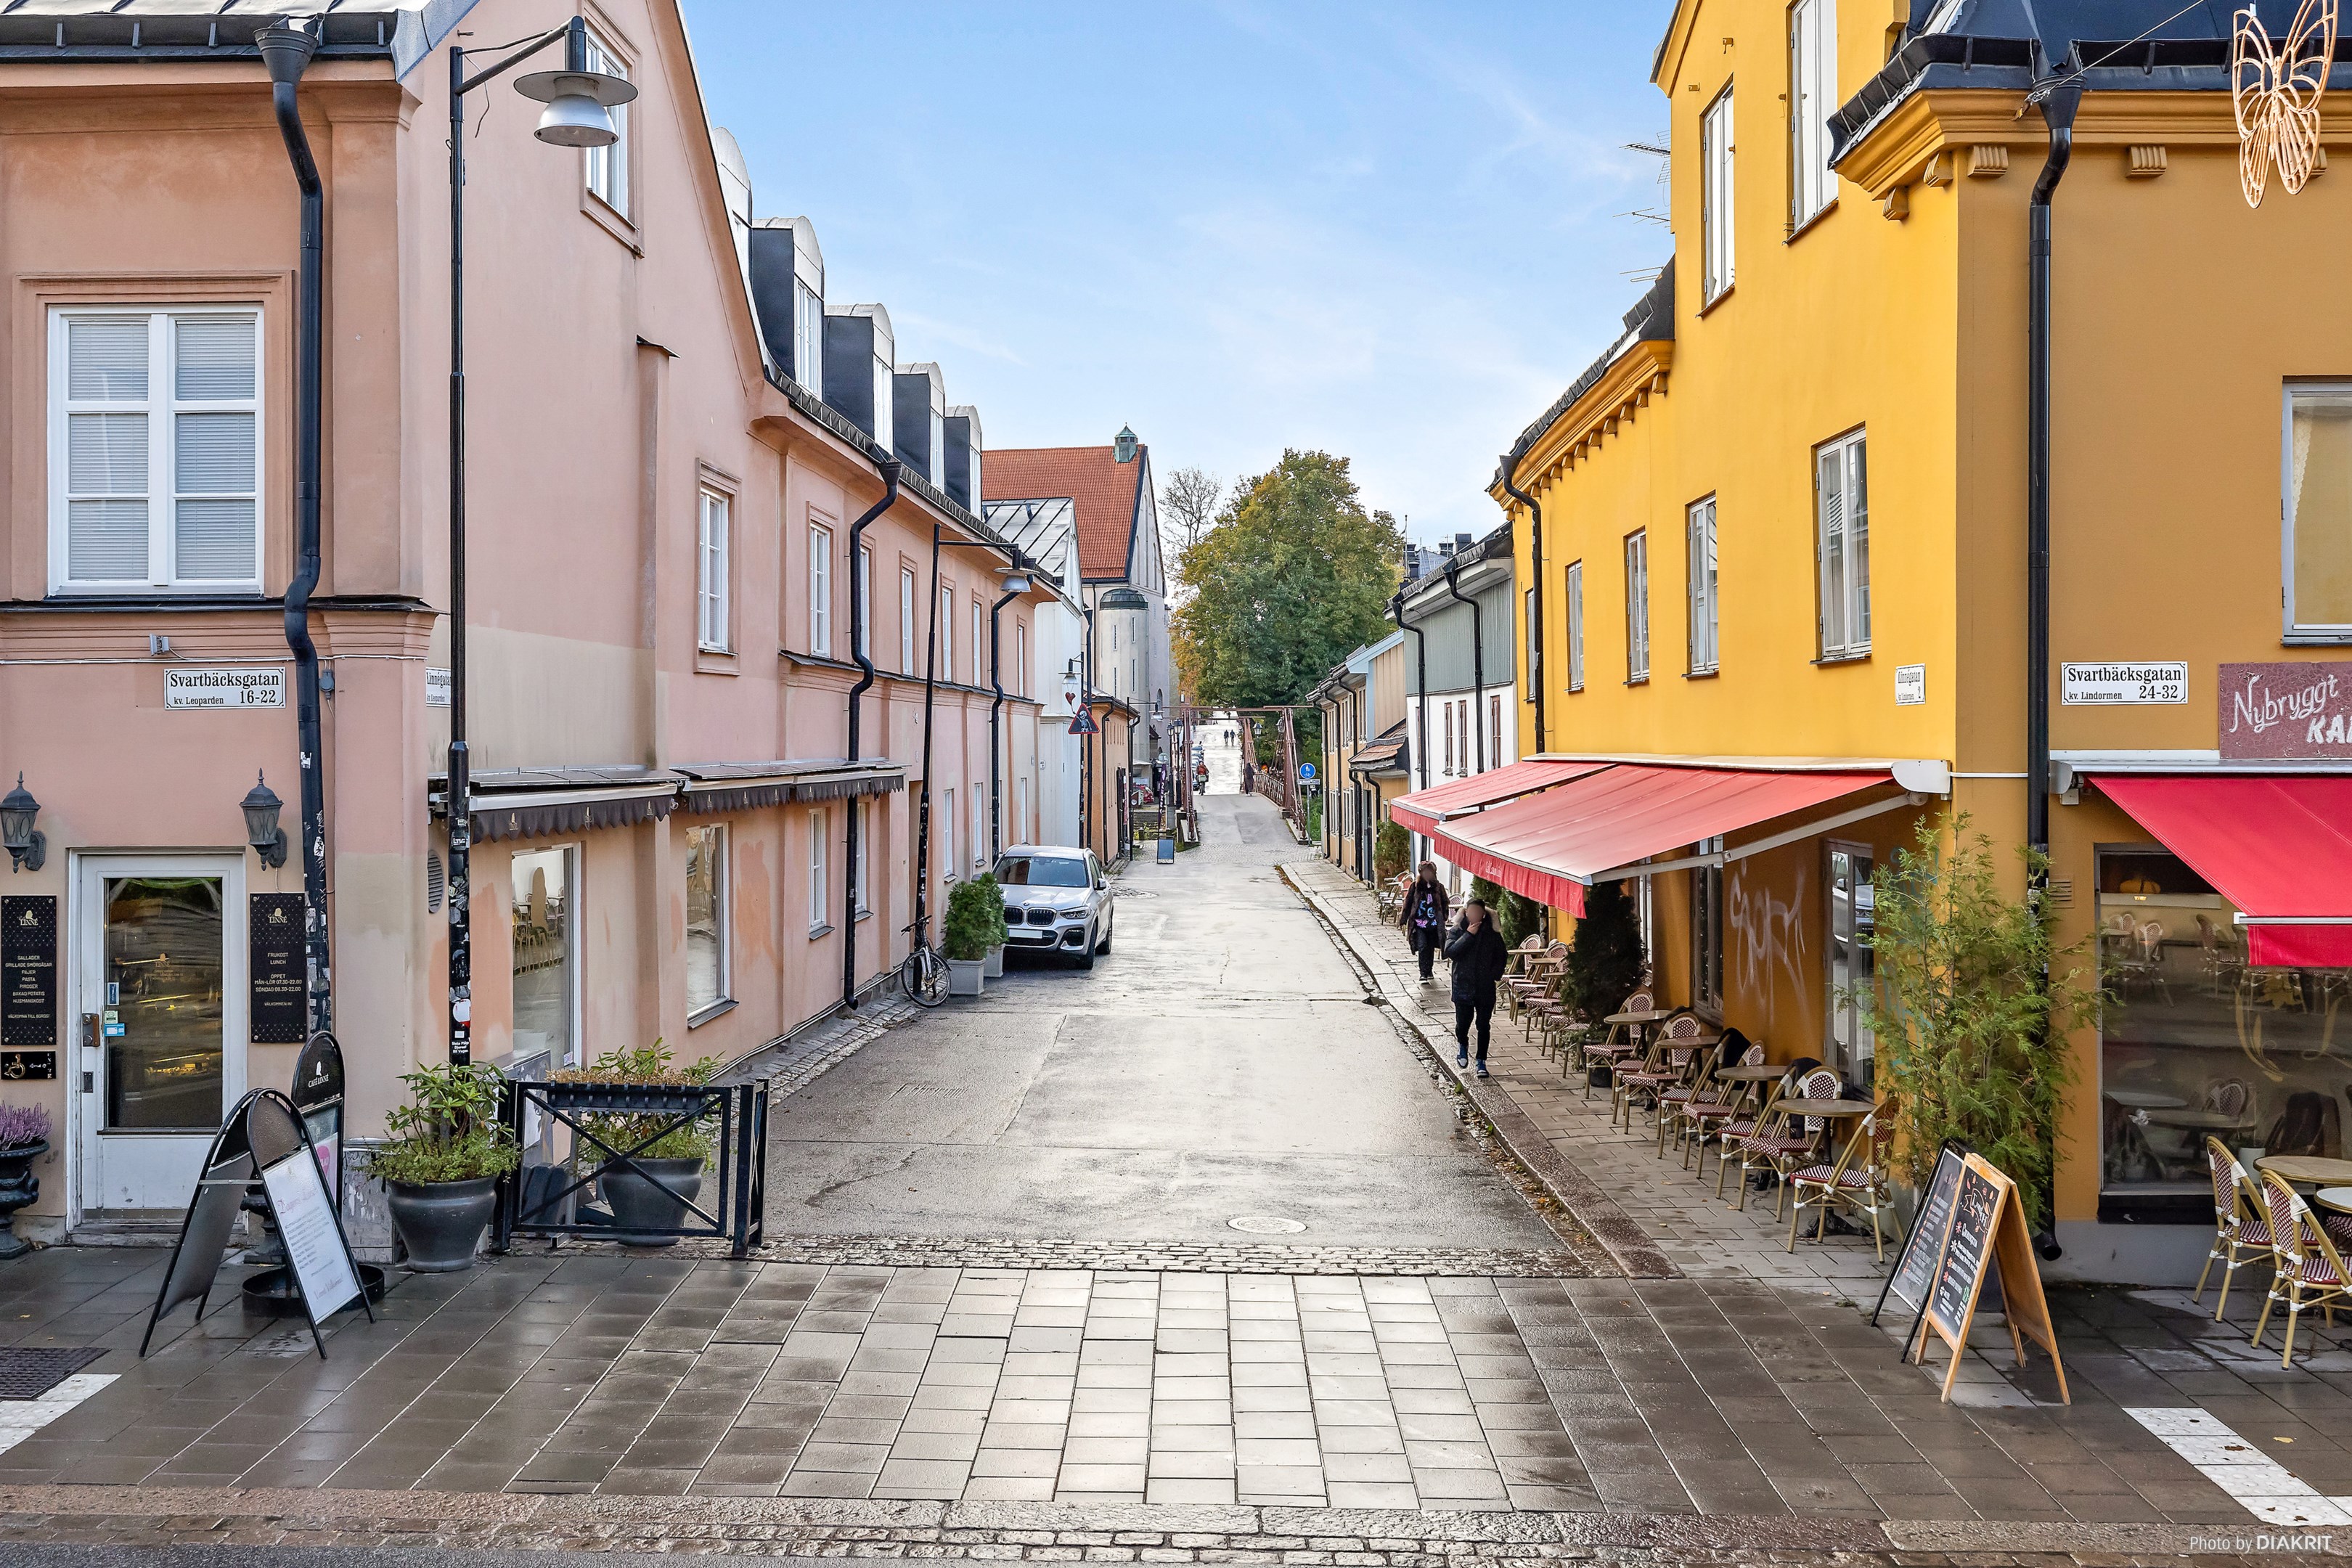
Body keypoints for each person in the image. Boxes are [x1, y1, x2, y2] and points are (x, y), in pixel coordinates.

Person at [1445, 895, 1510, 1077]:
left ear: (1483, 914)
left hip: (1484, 987)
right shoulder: (1458, 930)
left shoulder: (1491, 933)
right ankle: (1463, 1046)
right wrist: (1468, 935)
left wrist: (1494, 975)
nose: (1474, 915)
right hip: (1463, 985)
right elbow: (1450, 952)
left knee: (1483, 1025)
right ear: (1466, 912)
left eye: (1478, 912)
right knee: (1463, 1024)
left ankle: (1481, 1060)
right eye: (1471, 912)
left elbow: (1502, 956)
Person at [1397, 861, 1449, 984]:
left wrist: (1444, 916)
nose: (1427, 875)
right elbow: (1408, 903)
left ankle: (1429, 970)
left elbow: (1445, 902)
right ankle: (1423, 973)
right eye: (1425, 872)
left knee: (1430, 947)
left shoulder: (1439, 887)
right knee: (1422, 946)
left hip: (1434, 924)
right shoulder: (1415, 887)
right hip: (1419, 924)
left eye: (1429, 872)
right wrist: (1404, 919)